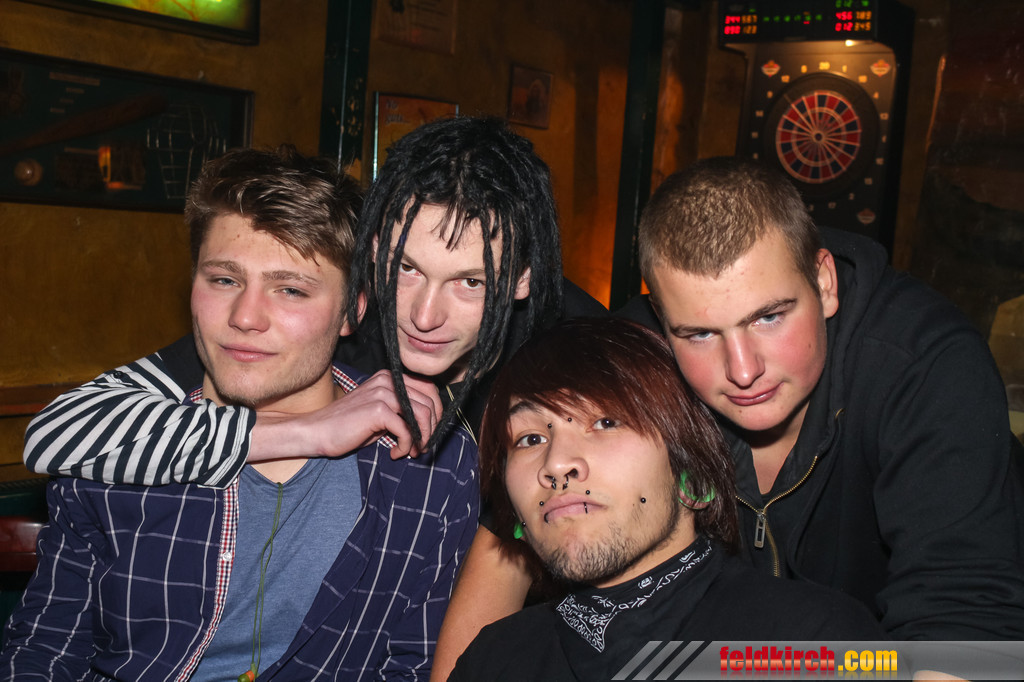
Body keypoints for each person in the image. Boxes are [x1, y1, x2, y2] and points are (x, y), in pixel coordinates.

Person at [21, 117, 606, 678]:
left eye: (471, 281)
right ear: (375, 257)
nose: (425, 316)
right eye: (406, 268)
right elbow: (57, 434)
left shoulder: (573, 362)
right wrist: (313, 430)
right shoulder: (301, 324)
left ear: (522, 278)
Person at [628, 156, 1024, 639]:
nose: (743, 371)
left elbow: (966, 616)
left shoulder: (924, 361)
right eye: (700, 334)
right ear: (662, 320)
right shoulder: (630, 371)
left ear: (824, 283)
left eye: (768, 317)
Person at [449, 318, 885, 681]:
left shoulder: (815, 647)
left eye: (605, 422)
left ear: (692, 477)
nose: (557, 463)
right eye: (529, 438)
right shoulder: (491, 662)